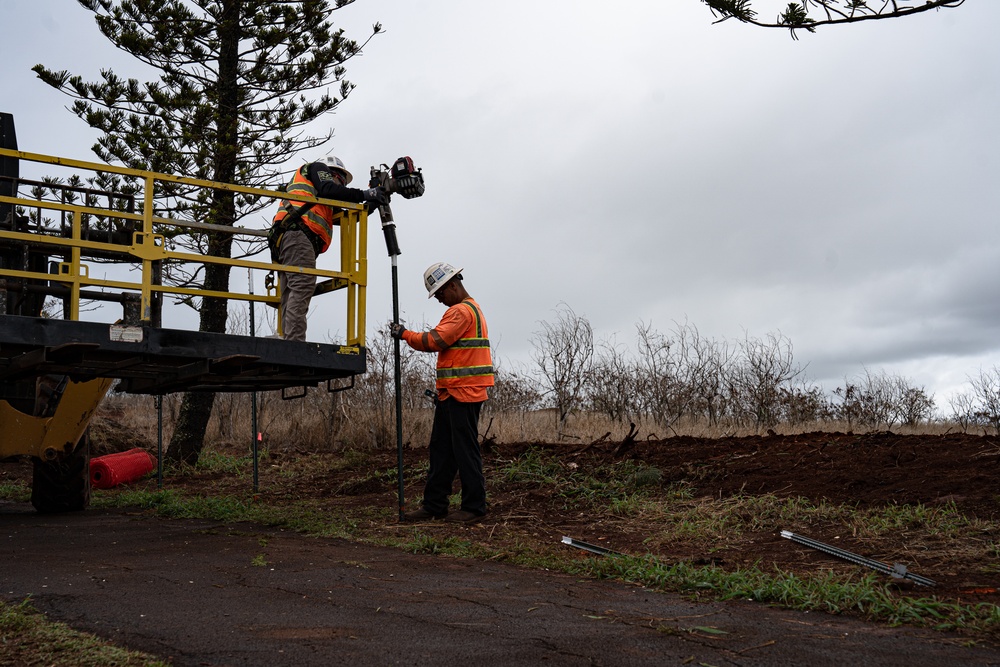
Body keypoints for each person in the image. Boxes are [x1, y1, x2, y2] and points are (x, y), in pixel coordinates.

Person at [391, 262, 494, 524]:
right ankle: (435, 504)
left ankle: (474, 507)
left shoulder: (460, 312)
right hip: (453, 393)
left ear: (452, 285)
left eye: (439, 294)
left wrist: (404, 334)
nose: (439, 300)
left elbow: (434, 341)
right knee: (442, 451)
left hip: (463, 393)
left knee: (464, 450)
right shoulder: (470, 309)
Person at [270, 155, 389, 341]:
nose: (341, 186)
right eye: (341, 180)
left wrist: (372, 201)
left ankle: (287, 340)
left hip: (288, 238)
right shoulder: (317, 169)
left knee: (290, 293)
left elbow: (350, 216)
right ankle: (294, 344)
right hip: (297, 235)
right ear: (332, 173)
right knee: (302, 285)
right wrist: (364, 194)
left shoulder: (320, 200)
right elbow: (329, 188)